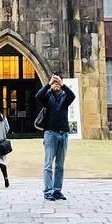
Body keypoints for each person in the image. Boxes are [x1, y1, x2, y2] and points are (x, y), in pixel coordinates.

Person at [35, 73, 75, 201]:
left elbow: (72, 96)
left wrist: (62, 84)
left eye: (58, 82)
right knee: (48, 164)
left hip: (63, 133)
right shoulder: (47, 97)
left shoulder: (65, 97)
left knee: (60, 165)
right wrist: (48, 84)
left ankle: (57, 190)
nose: (56, 84)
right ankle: (48, 190)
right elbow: (38, 96)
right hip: (50, 133)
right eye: (54, 82)